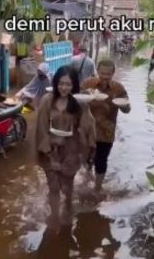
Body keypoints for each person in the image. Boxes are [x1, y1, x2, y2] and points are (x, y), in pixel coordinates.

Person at [35, 66, 96, 229]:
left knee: (67, 187)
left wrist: (86, 107)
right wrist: (49, 155)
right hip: (50, 148)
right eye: (61, 83)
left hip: (71, 149)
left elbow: (87, 128)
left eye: (68, 84)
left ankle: (68, 209)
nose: (64, 88)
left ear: (74, 85)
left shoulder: (78, 102)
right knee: (53, 186)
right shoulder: (48, 100)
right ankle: (54, 218)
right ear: (55, 83)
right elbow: (41, 128)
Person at [81, 59, 131, 193]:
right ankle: (88, 175)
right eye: (102, 73)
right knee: (87, 158)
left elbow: (127, 110)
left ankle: (97, 188)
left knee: (101, 160)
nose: (105, 77)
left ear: (113, 73)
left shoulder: (118, 88)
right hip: (88, 130)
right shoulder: (88, 84)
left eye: (108, 74)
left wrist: (124, 106)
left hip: (106, 132)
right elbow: (76, 102)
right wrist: (84, 97)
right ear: (97, 71)